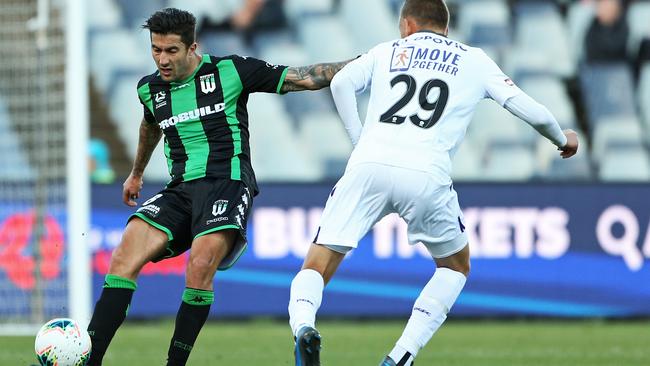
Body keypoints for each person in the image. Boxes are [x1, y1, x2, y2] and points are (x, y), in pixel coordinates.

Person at [286, 1, 579, 365]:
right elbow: (522, 105)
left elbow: (342, 81)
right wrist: (561, 138)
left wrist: (358, 139)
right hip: (426, 172)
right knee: (455, 267)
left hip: (368, 165)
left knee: (316, 264)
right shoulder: (472, 58)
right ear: (445, 26)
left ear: (407, 25)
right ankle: (401, 356)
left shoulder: (388, 50)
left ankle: (303, 327)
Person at [86, 8, 349, 366]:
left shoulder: (231, 71)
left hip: (228, 183)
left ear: (192, 47)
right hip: (180, 189)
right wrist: (136, 173)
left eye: (171, 51)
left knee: (201, 260)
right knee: (124, 253)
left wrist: (370, 63)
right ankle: (90, 357)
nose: (162, 59)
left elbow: (302, 78)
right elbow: (151, 126)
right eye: (156, 50)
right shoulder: (149, 89)